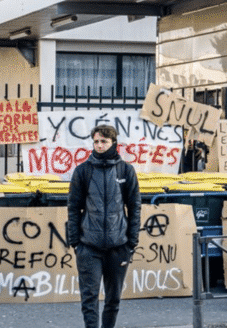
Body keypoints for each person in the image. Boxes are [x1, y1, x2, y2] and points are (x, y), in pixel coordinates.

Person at [66, 125, 141, 328]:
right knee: (89, 299)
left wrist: (131, 243)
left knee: (113, 299)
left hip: (119, 247)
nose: (99, 145)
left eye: (104, 141)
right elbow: (73, 208)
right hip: (89, 247)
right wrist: (76, 243)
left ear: (113, 143)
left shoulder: (126, 170)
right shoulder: (83, 171)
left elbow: (134, 207)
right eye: (96, 141)